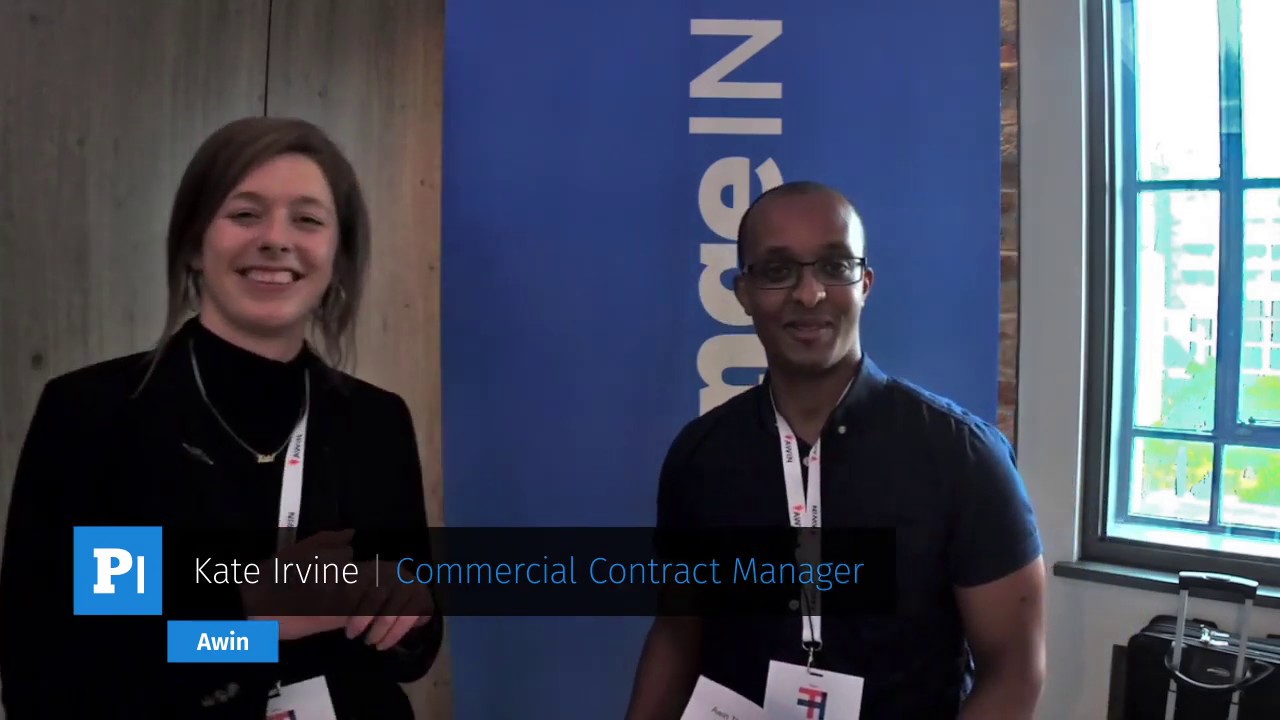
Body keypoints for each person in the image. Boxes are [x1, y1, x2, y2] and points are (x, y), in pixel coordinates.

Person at [0, 117, 442, 718]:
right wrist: (250, 616)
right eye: (245, 213)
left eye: (307, 220)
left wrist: (404, 610)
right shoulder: (98, 418)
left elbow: (413, 652)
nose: (276, 239)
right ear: (192, 245)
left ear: (337, 259)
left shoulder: (375, 422)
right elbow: (62, 664)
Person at [625, 181, 1045, 719]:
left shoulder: (963, 458)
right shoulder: (700, 457)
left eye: (834, 266)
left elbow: (1015, 670)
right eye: (778, 270)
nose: (809, 294)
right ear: (744, 293)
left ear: (864, 283)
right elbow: (677, 635)